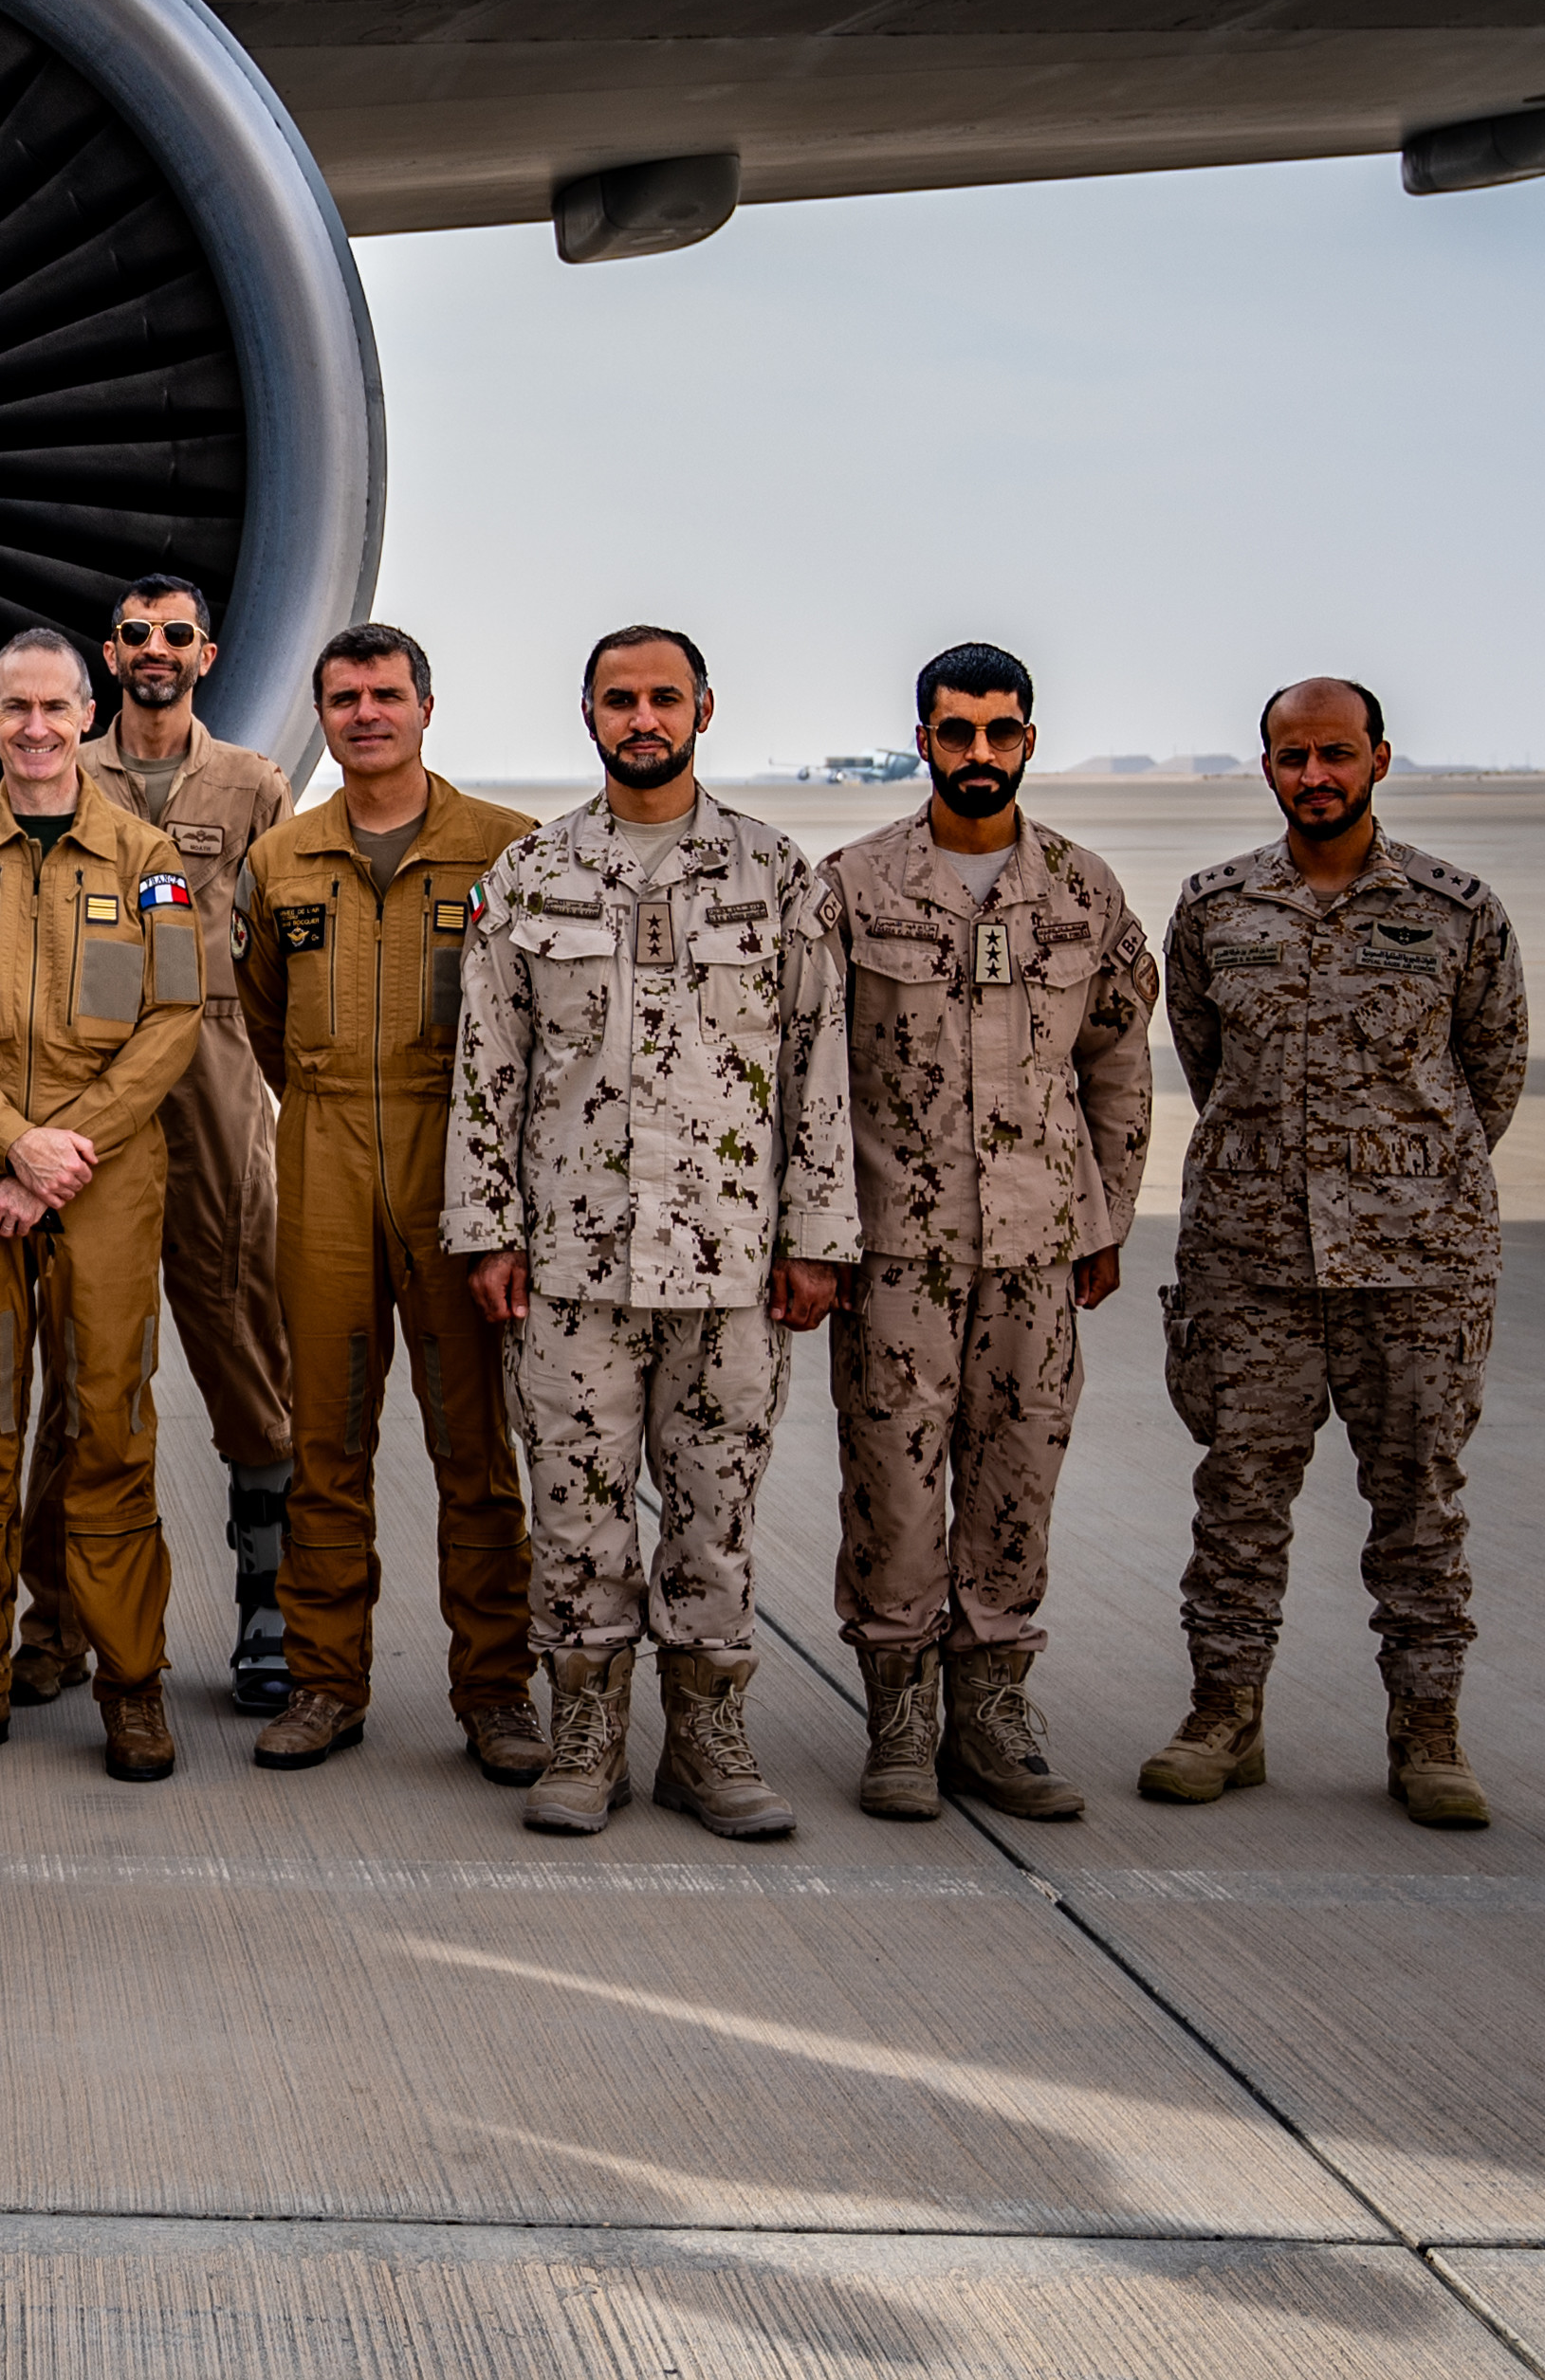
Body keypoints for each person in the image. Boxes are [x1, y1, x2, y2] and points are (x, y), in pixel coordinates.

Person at [448, 627, 855, 1841]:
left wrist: (818, 1235)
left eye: (662, 698)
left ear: (703, 711)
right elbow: (487, 1066)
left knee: (712, 1506)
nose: (642, 717)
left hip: (732, 1263)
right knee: (574, 1507)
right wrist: (485, 1229)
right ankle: (584, 1732)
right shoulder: (531, 876)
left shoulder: (775, 874)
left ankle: (707, 1740)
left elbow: (815, 1068)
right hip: (571, 1261)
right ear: (586, 714)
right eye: (619, 699)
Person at [1141, 678, 1523, 1829]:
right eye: (1294, 756)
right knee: (1237, 1499)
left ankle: (1427, 1731)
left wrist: (1392, 1182)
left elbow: (1488, 1076)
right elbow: (1209, 1066)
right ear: (1265, 766)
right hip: (1252, 1265)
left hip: (1417, 1268)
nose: (1317, 776)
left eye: (1337, 754)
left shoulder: (1457, 912)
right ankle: (1224, 1715)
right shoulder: (1215, 910)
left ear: (1379, 761)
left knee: (1419, 1505)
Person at [819, 643, 1157, 1822]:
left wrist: (1103, 1214)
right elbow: (807, 1078)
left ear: (1028, 738)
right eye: (954, 731)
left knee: (1019, 1478)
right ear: (921, 739)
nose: (977, 752)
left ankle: (994, 1711)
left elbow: (1117, 1061)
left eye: (998, 731)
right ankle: (902, 1718)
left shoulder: (1081, 891)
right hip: (894, 1250)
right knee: (894, 1488)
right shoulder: (851, 887)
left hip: (1038, 1248)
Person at [0, 630, 209, 1786]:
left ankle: (130, 1682)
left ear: (84, 713)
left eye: (55, 707)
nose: (35, 727)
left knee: (108, 1422)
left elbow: (173, 1018)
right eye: (14, 707)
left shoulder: (146, 860)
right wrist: (12, 1142)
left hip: (104, 1176)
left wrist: (67, 1150)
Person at [232, 626, 543, 1783]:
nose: (366, 714)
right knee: (326, 1443)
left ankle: (496, 1690)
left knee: (475, 1448)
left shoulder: (502, 853)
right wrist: (320, 1113)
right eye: (344, 697)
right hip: (320, 1160)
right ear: (321, 714)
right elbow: (262, 1013)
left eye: (385, 695)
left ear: (426, 708)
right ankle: (324, 1683)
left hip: (455, 1169)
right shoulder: (284, 860)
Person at [43, 574, 300, 1713]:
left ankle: (268, 1601)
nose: (156, 650)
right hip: (87, 1079)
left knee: (239, 1326)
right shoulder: (62, 770)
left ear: (206, 652)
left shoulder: (250, 784)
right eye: (137, 634)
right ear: (110, 654)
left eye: (176, 635)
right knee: (79, 1356)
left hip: (210, 1081)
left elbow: (288, 934)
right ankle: (56, 1619)